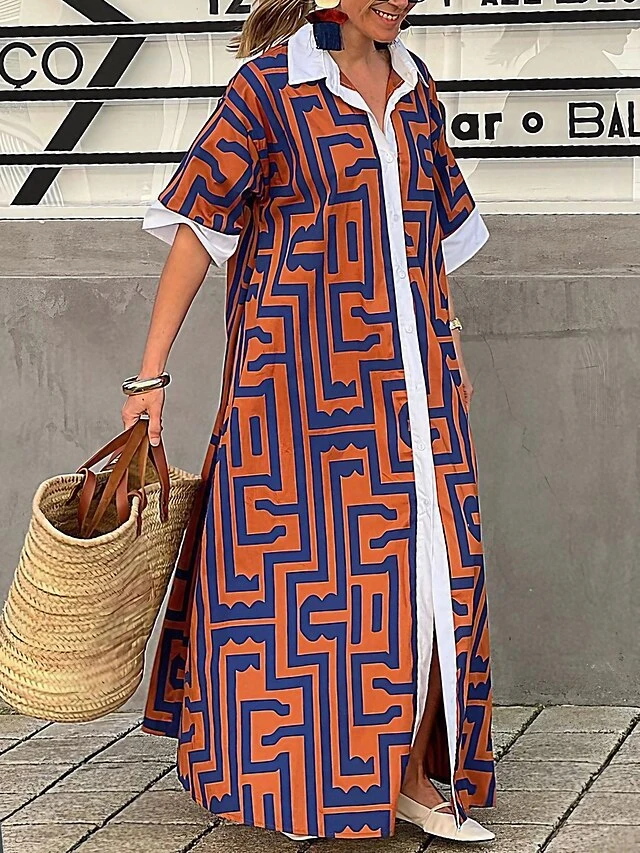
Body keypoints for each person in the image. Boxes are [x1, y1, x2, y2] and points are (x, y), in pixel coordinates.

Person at [122, 0, 496, 843]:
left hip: (415, 384)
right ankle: (293, 782)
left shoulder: (418, 92)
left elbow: (427, 240)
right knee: (287, 590)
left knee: (429, 575)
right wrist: (150, 374)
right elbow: (197, 233)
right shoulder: (268, 89)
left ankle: (408, 776)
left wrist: (451, 343)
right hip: (292, 389)